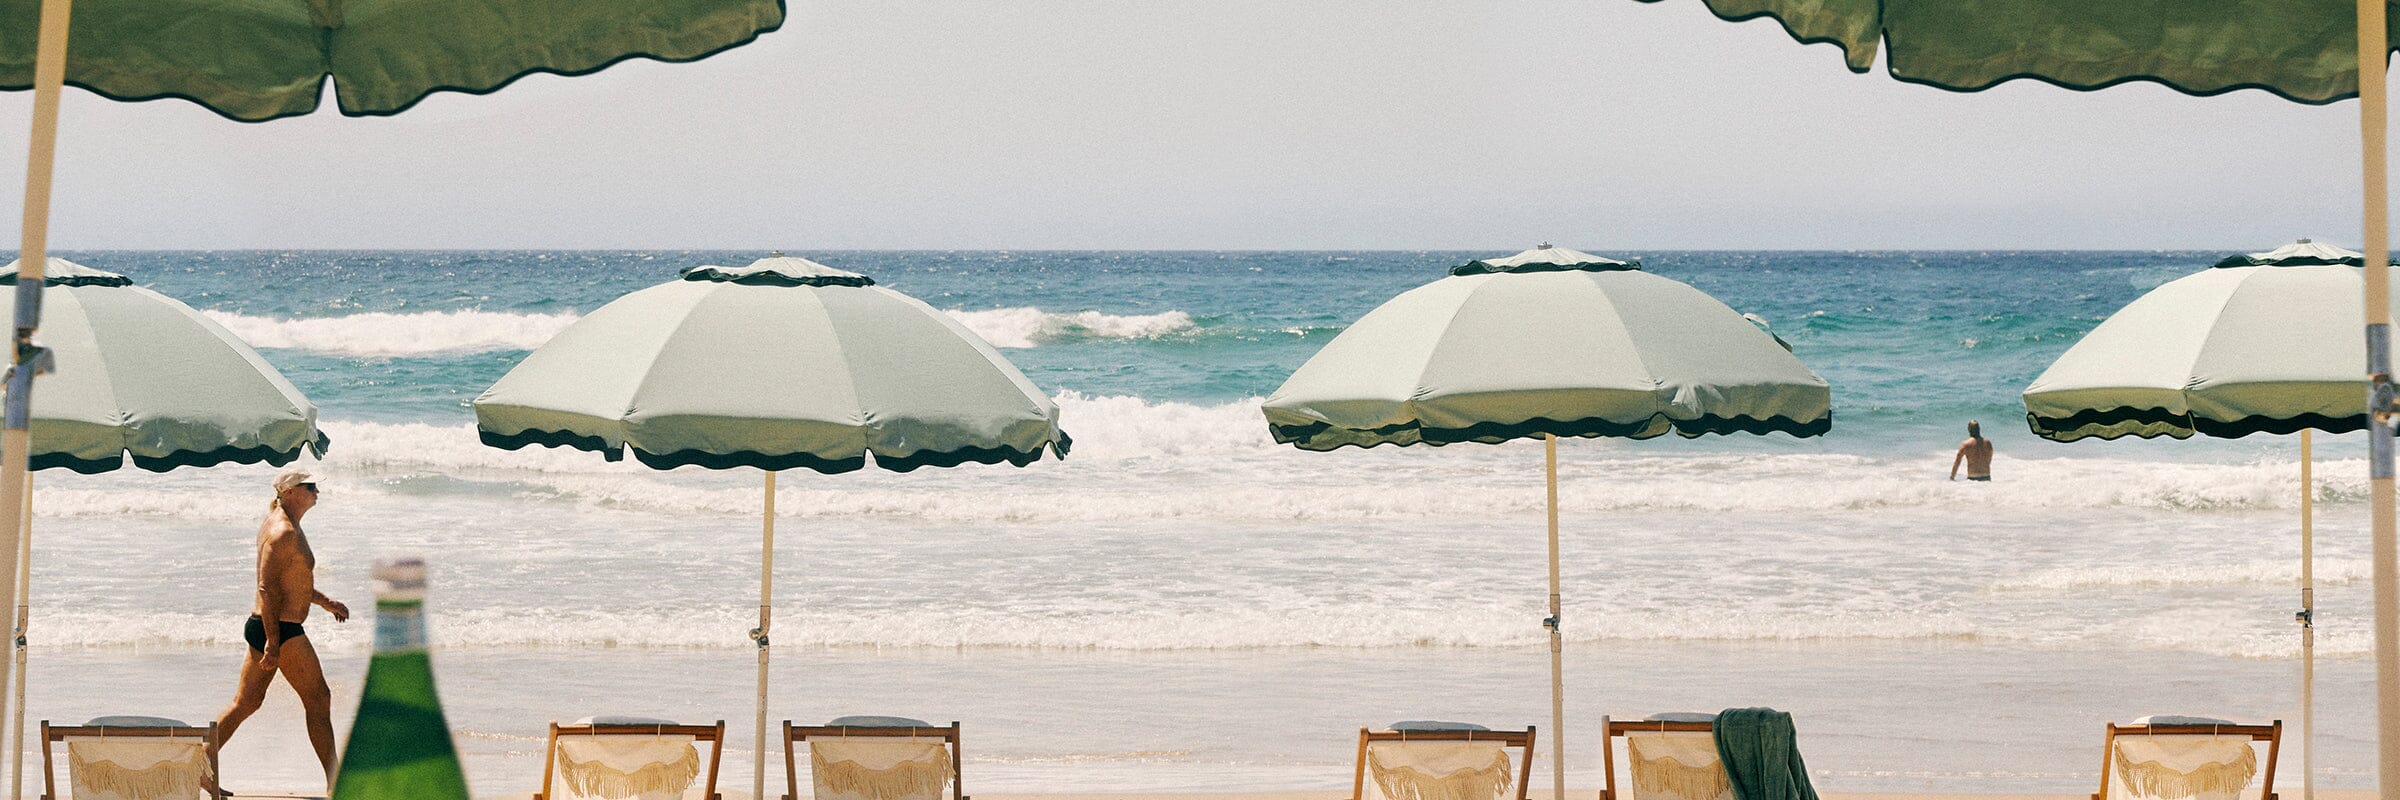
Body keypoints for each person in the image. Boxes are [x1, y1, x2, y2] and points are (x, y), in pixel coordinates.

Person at [214, 468, 349, 791]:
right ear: (289, 492)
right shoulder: (283, 531)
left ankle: (200, 762)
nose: (317, 491)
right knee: (319, 700)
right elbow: (267, 588)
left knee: (245, 703)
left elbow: (292, 583)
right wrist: (274, 642)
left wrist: (325, 601)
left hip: (270, 626)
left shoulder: (288, 526)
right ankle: (336, 783)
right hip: (279, 629)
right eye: (310, 486)